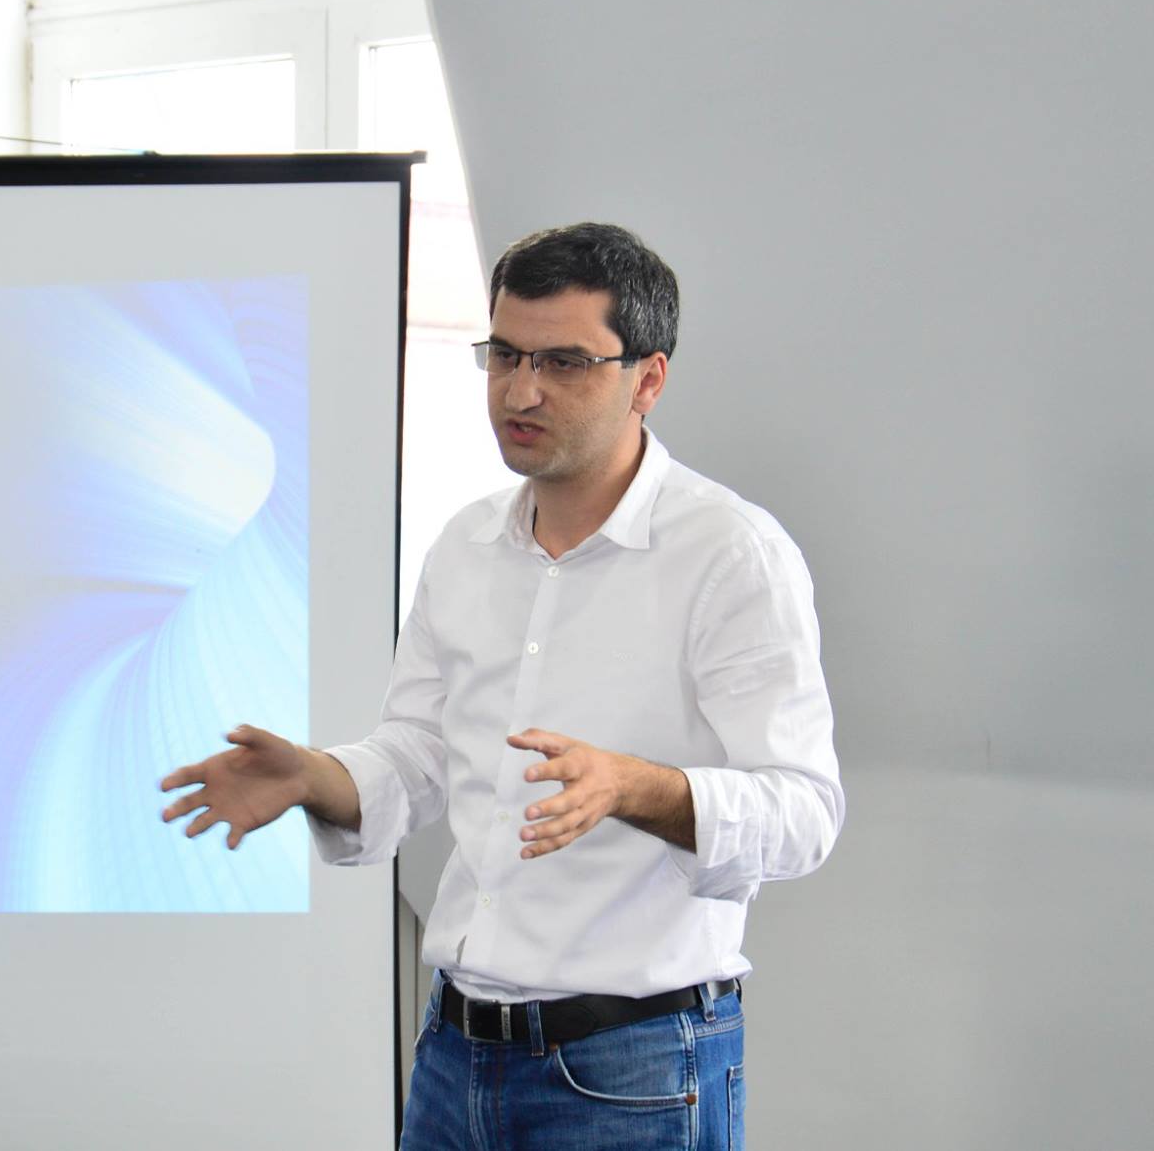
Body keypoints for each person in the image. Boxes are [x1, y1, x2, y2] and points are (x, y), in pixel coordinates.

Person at [160, 221, 843, 1149]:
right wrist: (317, 777)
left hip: (630, 1068)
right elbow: (422, 753)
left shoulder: (730, 554)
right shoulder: (467, 544)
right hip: (455, 1053)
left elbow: (803, 812)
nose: (521, 391)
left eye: (564, 362)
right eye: (506, 355)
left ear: (648, 379)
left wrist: (633, 788)